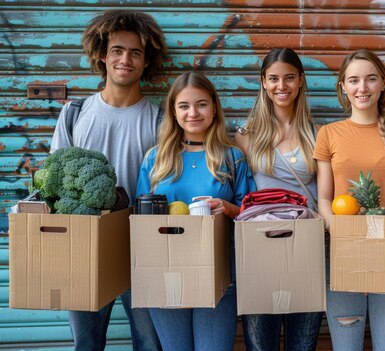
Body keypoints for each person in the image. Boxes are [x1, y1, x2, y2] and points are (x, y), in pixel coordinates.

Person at [50, 10, 166, 351]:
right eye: (117, 50)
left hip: (141, 251)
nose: (125, 59)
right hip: (84, 249)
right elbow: (52, 184)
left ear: (147, 62)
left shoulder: (160, 119)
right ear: (103, 54)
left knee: (149, 344)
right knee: (86, 344)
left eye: (135, 52)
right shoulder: (75, 113)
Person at [313, 49, 385, 351]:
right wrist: (346, 241)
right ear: (343, 87)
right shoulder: (328, 133)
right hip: (340, 252)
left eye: (371, 79)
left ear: (383, 84)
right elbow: (324, 198)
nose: (362, 88)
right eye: (354, 80)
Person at [136, 71, 256, 350]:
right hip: (165, 273)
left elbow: (251, 216)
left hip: (218, 275)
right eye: (184, 106)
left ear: (214, 108)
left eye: (201, 104)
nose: (193, 113)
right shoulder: (155, 158)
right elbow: (140, 221)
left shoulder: (232, 157)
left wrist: (227, 208)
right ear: (173, 112)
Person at [234, 48, 323, 351]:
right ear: (263, 82)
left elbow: (326, 197)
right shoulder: (246, 135)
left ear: (301, 81)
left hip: (307, 249)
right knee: (261, 346)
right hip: (261, 250)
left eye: (288, 78)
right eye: (273, 79)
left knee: (303, 345)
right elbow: (241, 196)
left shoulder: (318, 134)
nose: (281, 86)